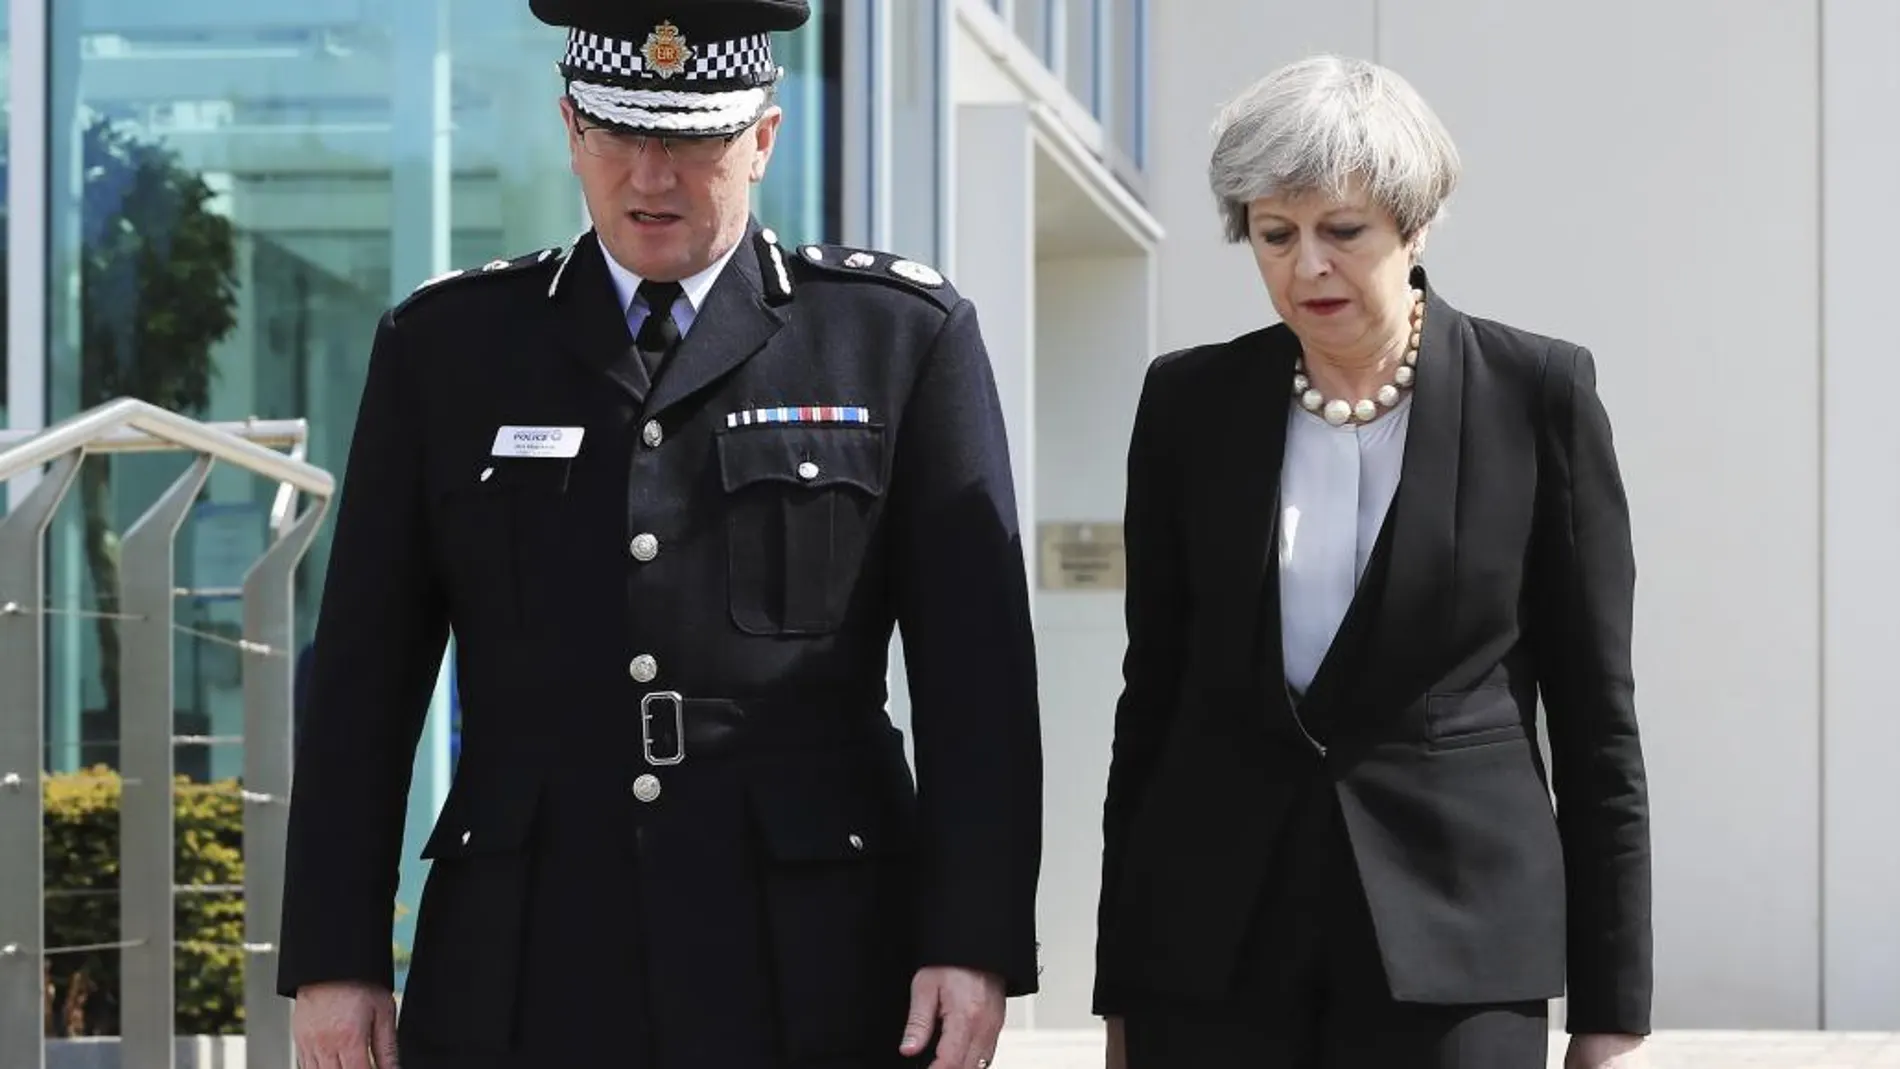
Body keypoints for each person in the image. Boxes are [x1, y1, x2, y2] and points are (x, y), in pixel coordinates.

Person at [275, 2, 1043, 1066]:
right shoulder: (447, 348)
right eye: (621, 135)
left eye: (692, 139)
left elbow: (980, 683)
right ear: (568, 130)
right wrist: (334, 954)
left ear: (764, 137)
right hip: (532, 941)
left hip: (815, 950)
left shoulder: (894, 338)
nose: (651, 177)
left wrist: (974, 940)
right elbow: (363, 677)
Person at [1092, 55, 1652, 1069]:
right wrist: (1121, 988)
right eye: (1274, 234)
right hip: (1210, 946)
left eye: (1341, 231)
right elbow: (1153, 704)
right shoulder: (1186, 406)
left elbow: (1594, 717)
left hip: (1455, 944)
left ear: (1413, 224)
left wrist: (1611, 1012)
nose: (1306, 266)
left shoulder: (1537, 394)